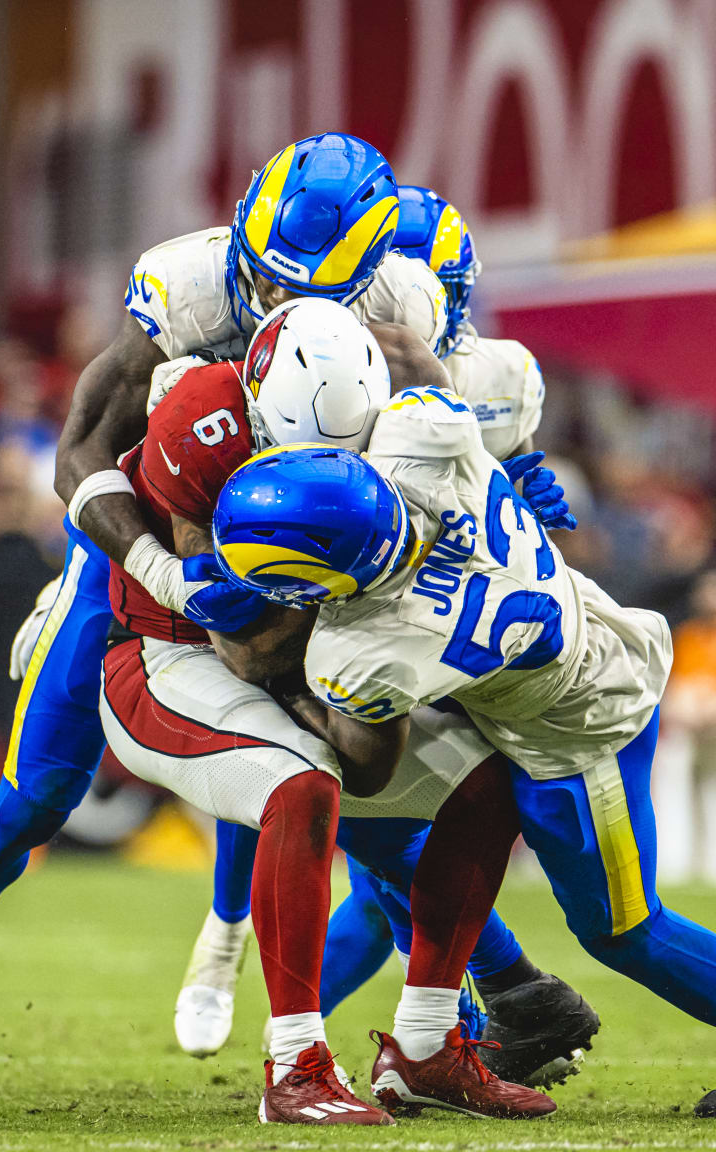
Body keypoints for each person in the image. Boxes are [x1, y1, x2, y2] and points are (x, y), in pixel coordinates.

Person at [0, 133, 445, 1015]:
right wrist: (158, 572)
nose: (277, 301)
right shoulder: (192, 284)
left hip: (318, 544)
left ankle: (448, 1008)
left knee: (357, 775)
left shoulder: (408, 305)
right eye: (267, 278)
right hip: (149, 535)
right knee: (40, 791)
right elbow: (81, 452)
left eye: (307, 290)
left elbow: (436, 456)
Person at [97, 299, 556, 1122]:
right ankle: (296, 1066)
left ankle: (424, 1049)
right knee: (300, 784)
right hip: (173, 657)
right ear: (256, 401)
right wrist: (345, 628)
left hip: (322, 644)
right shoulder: (201, 421)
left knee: (488, 781)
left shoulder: (412, 382)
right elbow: (247, 650)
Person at [212, 376, 716, 1119]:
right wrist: (508, 457)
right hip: (584, 639)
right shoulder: (428, 434)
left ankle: (462, 1021)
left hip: (577, 731)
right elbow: (424, 374)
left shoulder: (365, 650)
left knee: (622, 929)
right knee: (386, 859)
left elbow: (369, 760)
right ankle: (432, 1032)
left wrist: (266, 679)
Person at [178, 187, 588, 1090]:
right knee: (314, 778)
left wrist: (513, 483)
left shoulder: (476, 376)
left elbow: (482, 509)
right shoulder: (238, 331)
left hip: (410, 614)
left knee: (401, 806)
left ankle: (453, 1019)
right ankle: (238, 937)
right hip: (272, 589)